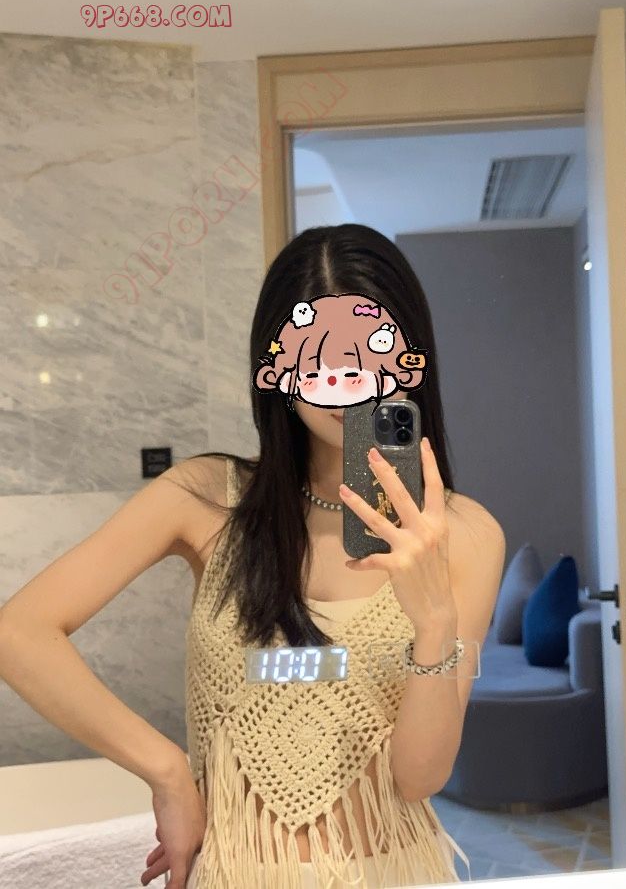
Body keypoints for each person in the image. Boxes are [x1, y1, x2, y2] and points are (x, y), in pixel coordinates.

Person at [0, 224, 505, 888]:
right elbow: (19, 632)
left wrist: (434, 621)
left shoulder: (466, 534)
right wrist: (166, 771)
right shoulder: (206, 497)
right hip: (235, 872)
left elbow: (419, 778)